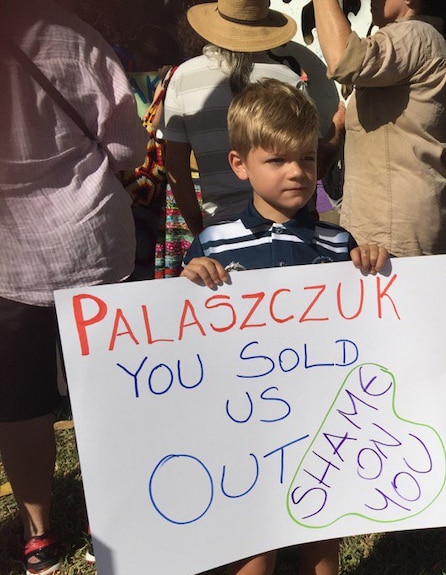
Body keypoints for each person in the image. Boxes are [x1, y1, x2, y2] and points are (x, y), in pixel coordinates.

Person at [181, 78, 387, 575]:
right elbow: (180, 329)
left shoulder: (338, 243)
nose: (297, 173)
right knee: (255, 545)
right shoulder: (214, 244)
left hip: (320, 416)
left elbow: (364, 321)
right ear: (240, 164)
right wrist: (190, 280)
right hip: (244, 418)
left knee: (322, 534)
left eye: (308, 159)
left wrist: (374, 266)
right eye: (276, 161)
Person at [0, 0, 146, 573]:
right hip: (93, 250)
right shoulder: (68, 37)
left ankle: (38, 535)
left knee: (19, 406)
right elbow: (128, 148)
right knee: (109, 393)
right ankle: (111, 516)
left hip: (8, 260)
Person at [311, 0, 446, 256]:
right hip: (402, 223)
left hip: (389, 228)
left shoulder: (413, 34)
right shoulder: (428, 38)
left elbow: (343, 61)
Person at [163, 0, 305, 236]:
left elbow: (175, 165)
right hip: (286, 223)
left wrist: (197, 227)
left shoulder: (182, 78)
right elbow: (308, 162)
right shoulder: (288, 79)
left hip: (219, 225)